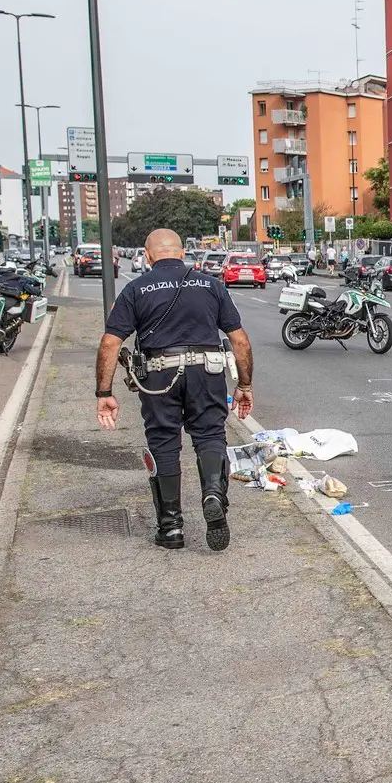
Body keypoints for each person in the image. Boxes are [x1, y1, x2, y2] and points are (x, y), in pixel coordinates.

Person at [94, 229, 254, 552]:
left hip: (157, 375)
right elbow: (239, 341)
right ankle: (213, 493)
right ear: (183, 253)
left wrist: (104, 393)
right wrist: (245, 385)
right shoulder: (211, 285)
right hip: (206, 372)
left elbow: (111, 343)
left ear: (148, 255)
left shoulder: (136, 289)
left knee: (164, 443)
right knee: (210, 435)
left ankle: (171, 528)